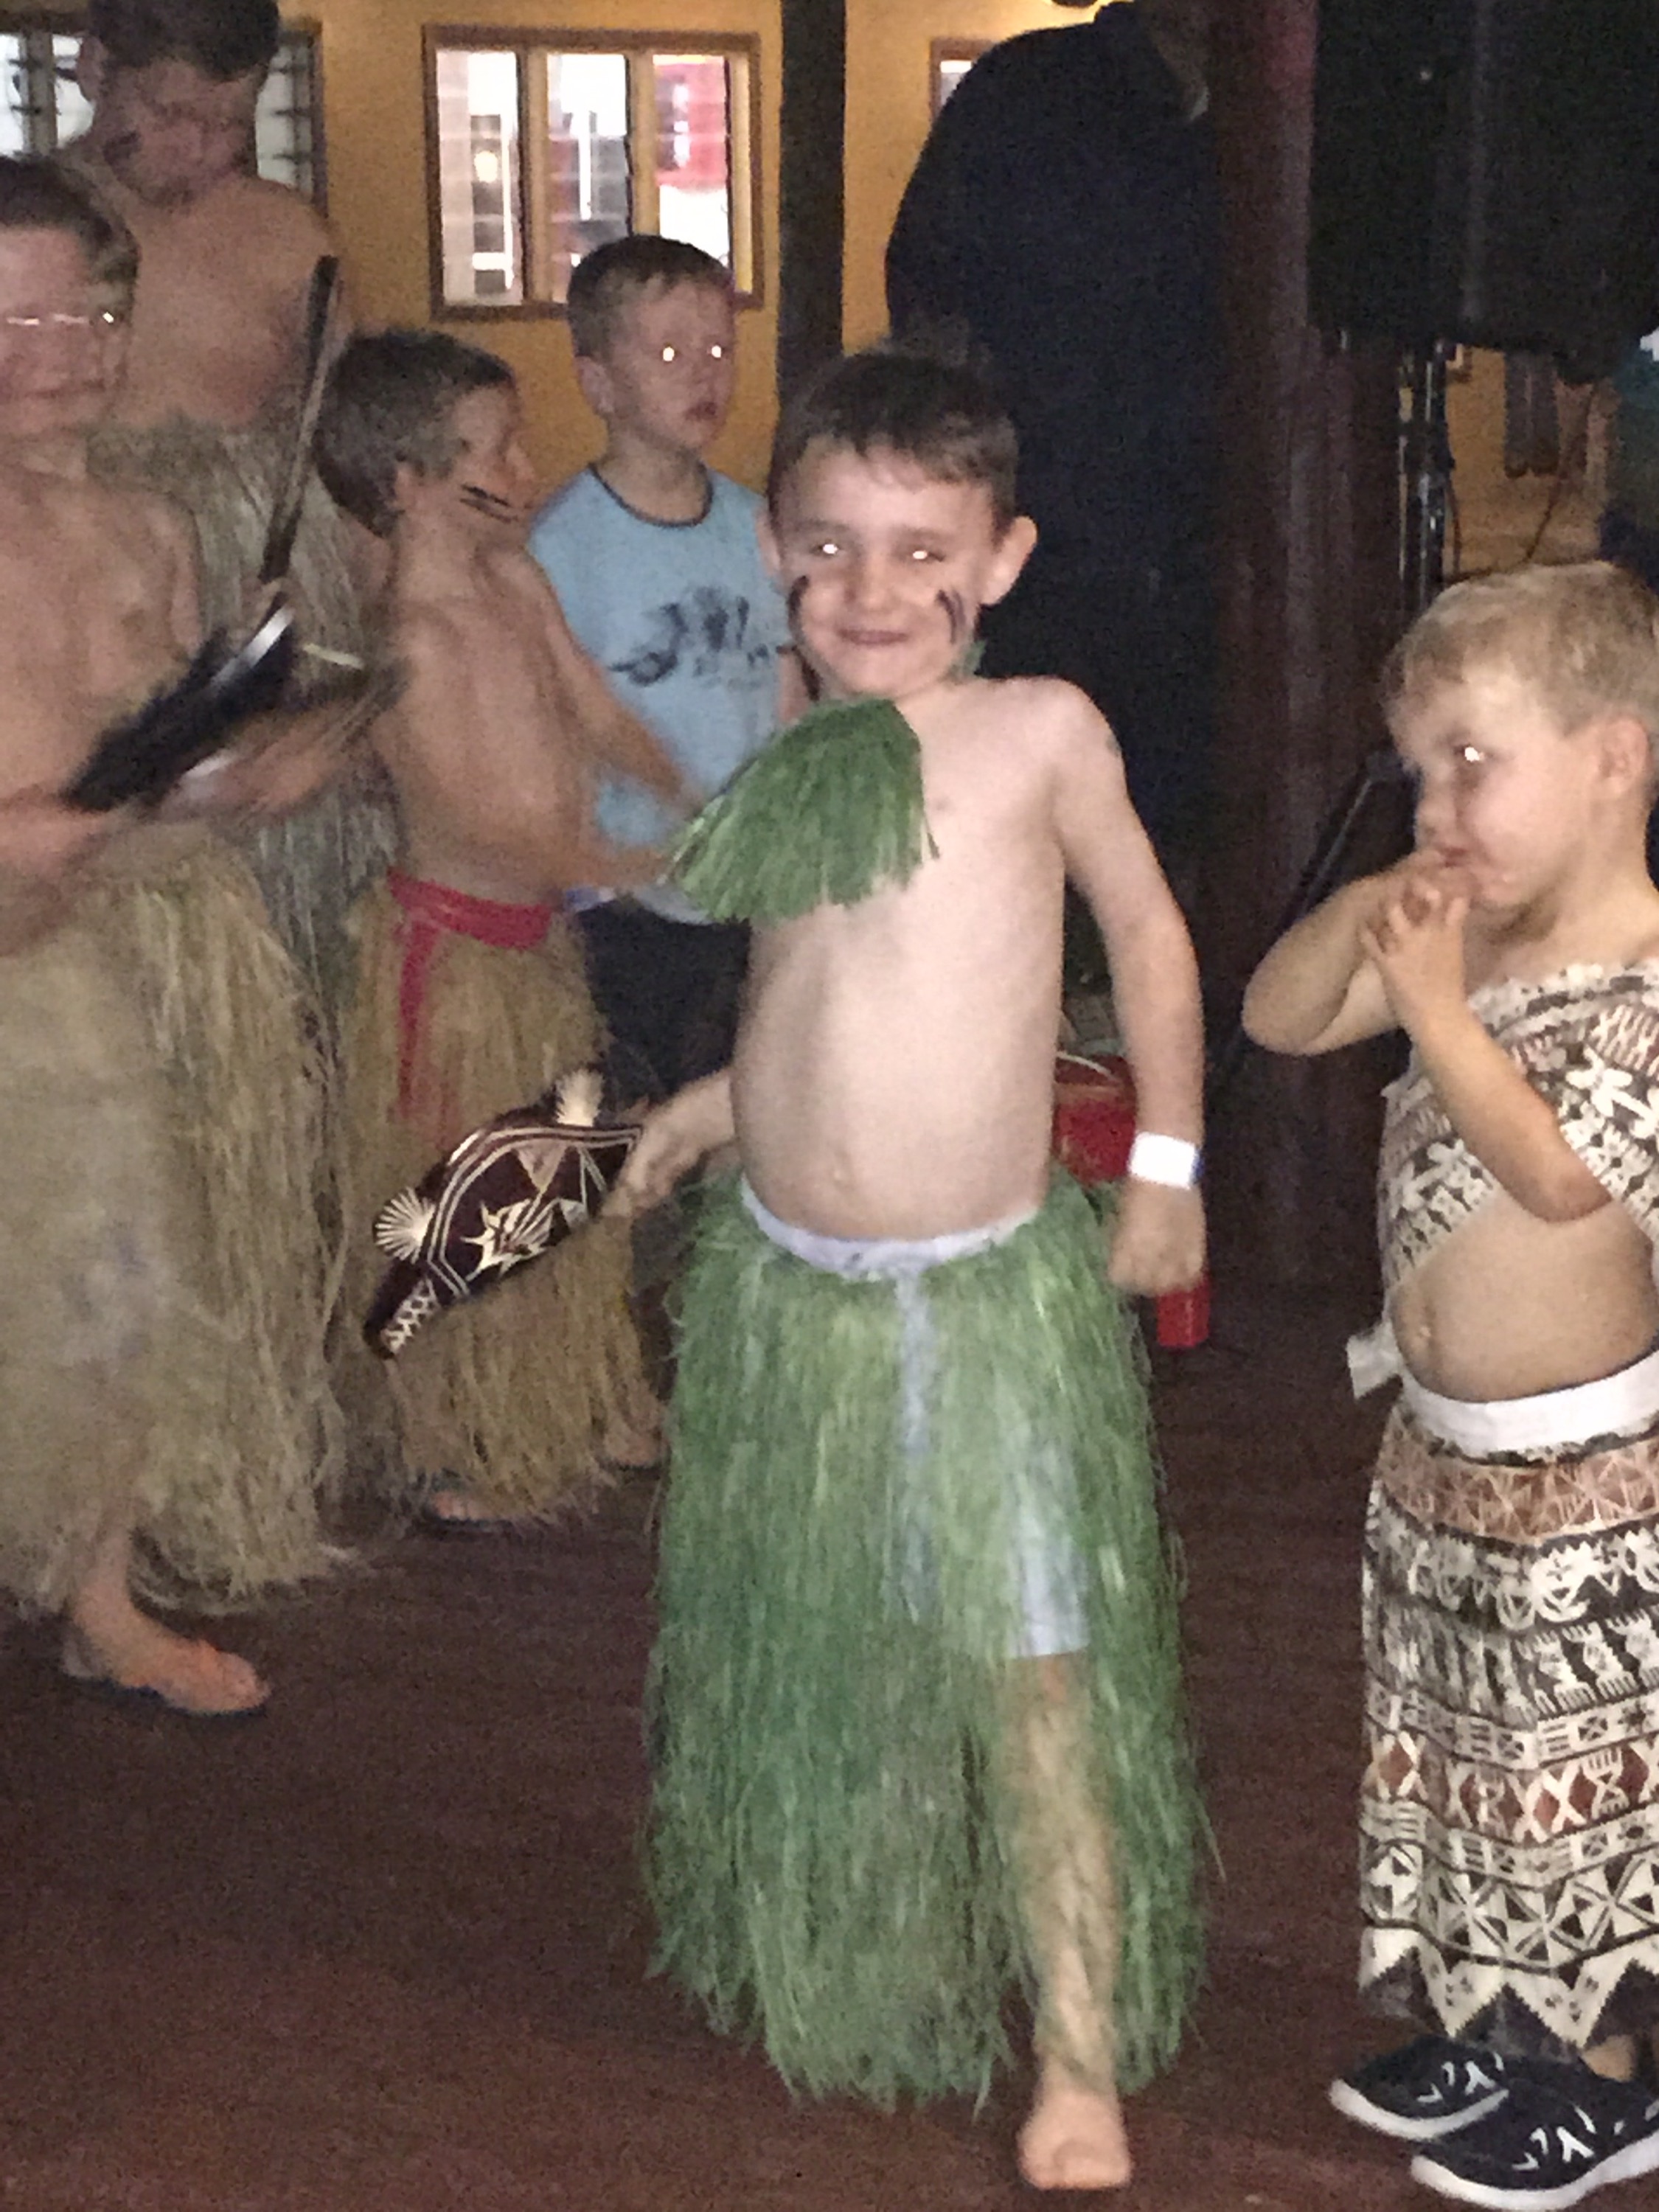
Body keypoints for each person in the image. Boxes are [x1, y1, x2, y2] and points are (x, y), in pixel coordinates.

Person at [613, 343, 1206, 2191]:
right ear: (776, 549)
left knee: (1033, 1683)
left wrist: (1169, 1167)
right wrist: (712, 1108)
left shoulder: (1039, 731)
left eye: (920, 550)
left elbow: (1148, 940)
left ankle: (1080, 2054)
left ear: (1002, 557)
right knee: (846, 1657)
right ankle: (872, 1954)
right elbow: (809, 990)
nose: (869, 589)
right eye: (830, 545)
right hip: (790, 1297)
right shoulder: (797, 741)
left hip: (974, 1301)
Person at [1242, 563, 1659, 2208]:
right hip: (1441, 1457)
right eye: (1419, 769)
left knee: (1571, 1796)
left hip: (1591, 1482)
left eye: (1474, 762)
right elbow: (1282, 1018)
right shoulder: (1463, 936)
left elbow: (1559, 1179)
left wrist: (1433, 1006)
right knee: (1453, 1766)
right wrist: (1385, 905)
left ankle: (1604, 2082)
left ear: (1615, 758)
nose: (1438, 804)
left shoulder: (1648, 975)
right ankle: (1489, 2024)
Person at [0, 156, 343, 1712]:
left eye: (87, 314)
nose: (60, 349)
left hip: (121, 944)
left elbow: (160, 768)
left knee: (118, 1275)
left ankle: (102, 1596)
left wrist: (252, 771)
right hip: (19, 949)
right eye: (16, 319)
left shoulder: (145, 527)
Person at [317, 330, 684, 1528]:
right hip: (454, 963)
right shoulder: (404, 642)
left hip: (534, 953)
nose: (524, 469)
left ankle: (577, 1395)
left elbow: (598, 716)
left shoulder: (518, 584)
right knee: (445, 1205)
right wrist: (623, 864)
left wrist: (691, 795)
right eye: (493, 451)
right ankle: (436, 1441)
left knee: (557, 1186)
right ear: (409, 484)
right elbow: (481, 821)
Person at [59, 0, 390, 994]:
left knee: (308, 954)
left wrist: (383, 646)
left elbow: (361, 461)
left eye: (228, 122)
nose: (200, 149)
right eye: (169, 114)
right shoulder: (27, 235)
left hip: (280, 614)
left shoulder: (288, 238)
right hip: (91, 617)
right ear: (94, 69)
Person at [886, 0, 1218, 897]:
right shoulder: (1029, 93)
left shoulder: (1279, 118)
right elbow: (932, 308)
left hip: (1213, 562)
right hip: (1051, 550)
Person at [529, 233, 799, 1102]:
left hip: (750, 887)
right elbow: (554, 729)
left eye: (720, 349)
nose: (704, 374)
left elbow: (786, 683)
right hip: (632, 900)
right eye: (671, 354)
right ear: (599, 383)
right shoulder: (563, 547)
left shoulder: (757, 526)